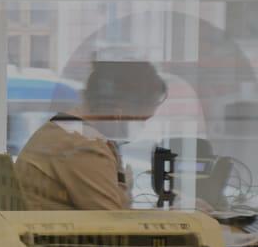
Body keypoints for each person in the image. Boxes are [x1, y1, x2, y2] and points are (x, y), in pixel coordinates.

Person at [15, 60, 167, 210]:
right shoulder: (82, 145)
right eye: (140, 119)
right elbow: (112, 221)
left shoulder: (67, 128)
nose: (141, 127)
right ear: (119, 111)